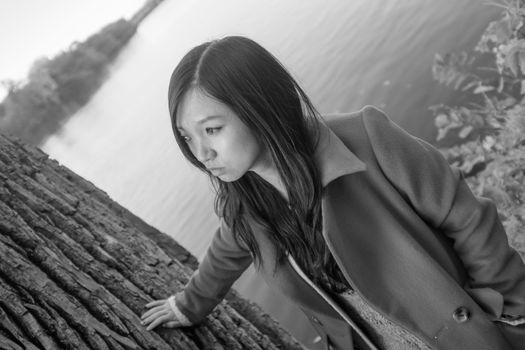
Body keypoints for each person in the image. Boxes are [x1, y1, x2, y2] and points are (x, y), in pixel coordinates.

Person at [140, 36, 525, 350]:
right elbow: (224, 256)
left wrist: (511, 314)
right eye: (187, 137)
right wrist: (189, 306)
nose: (201, 154)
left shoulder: (368, 137)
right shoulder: (245, 206)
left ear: (258, 107)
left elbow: (470, 220)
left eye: (212, 130)